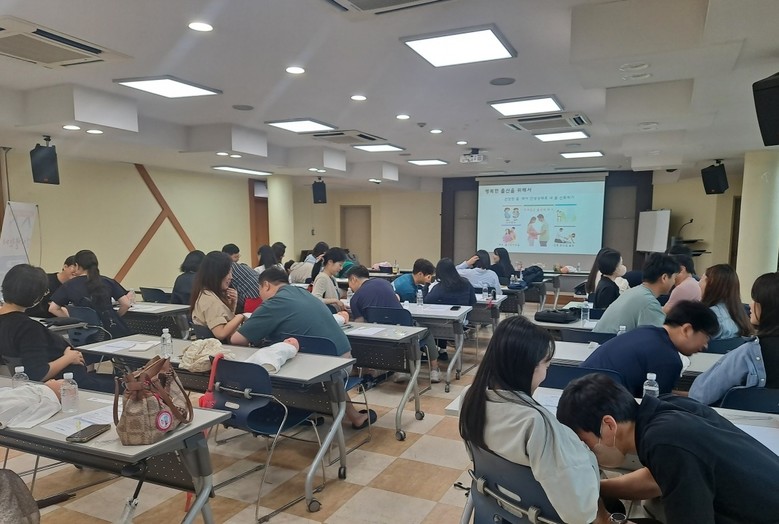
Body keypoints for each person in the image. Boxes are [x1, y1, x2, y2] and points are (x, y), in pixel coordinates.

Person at [557, 373, 779, 524]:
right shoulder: (666, 409)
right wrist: (595, 488)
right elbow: (656, 480)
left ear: (608, 426)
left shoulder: (665, 443)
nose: (586, 451)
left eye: (585, 443)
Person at [459, 316, 614, 523]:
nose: (545, 375)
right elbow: (581, 513)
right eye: (546, 366)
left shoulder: (470, 399)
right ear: (528, 367)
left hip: (499, 509)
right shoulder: (534, 424)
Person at [230, 267, 375, 430]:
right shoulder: (303, 293)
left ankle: (289, 412)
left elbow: (237, 339)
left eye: (259, 290)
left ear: (266, 285)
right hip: (342, 361)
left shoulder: (275, 303)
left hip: (326, 370)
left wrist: (240, 317)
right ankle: (349, 415)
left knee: (271, 363)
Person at [1, 264, 114, 393]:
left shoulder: (13, 323)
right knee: (121, 385)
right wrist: (69, 358)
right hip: (67, 387)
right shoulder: (29, 328)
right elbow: (37, 374)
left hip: (55, 385)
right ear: (36, 297)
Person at [582, 301, 718, 397]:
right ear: (687, 330)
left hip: (579, 394)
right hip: (600, 411)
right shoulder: (668, 359)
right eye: (706, 337)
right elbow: (657, 407)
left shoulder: (645, 331)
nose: (705, 346)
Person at [688, 271, 779, 405]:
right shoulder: (736, 315)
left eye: (755, 300)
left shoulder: (750, 352)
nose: (751, 305)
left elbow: (700, 394)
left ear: (767, 306)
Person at [593, 253, 678, 334]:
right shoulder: (649, 303)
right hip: (610, 342)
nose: (674, 282)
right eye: (674, 278)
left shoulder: (633, 292)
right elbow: (658, 338)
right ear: (664, 278)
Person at [49, 250, 132, 317]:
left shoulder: (69, 284)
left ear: (77, 265)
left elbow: (53, 308)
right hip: (109, 328)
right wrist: (115, 317)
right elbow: (126, 304)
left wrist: (74, 319)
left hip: (84, 329)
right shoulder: (108, 281)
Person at [425, 258, 477, 362]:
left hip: (441, 325)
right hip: (460, 324)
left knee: (431, 321)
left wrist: (426, 286)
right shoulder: (466, 283)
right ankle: (443, 351)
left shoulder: (439, 287)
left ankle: (437, 350)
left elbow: (426, 301)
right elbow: (473, 301)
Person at [191, 251, 246, 341]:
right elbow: (221, 333)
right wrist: (241, 316)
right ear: (216, 274)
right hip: (222, 347)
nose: (231, 277)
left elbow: (225, 321)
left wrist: (232, 305)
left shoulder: (206, 293)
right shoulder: (210, 300)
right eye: (228, 273)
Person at [699, 263, 753, 339]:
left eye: (702, 279)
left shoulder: (708, 317)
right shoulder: (741, 315)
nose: (698, 283)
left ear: (711, 284)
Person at [222, 243, 261, 313]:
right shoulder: (242, 267)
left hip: (253, 298)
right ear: (227, 256)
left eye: (238, 256)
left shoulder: (229, 267)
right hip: (261, 294)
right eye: (235, 257)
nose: (238, 259)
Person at [311, 247, 346, 312]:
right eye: (340, 265)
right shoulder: (322, 278)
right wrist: (335, 301)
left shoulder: (332, 278)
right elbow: (315, 299)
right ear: (330, 262)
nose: (341, 268)